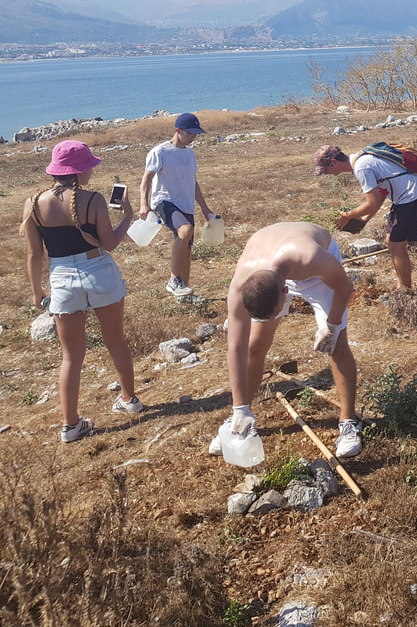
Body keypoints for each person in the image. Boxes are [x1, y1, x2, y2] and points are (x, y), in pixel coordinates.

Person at [21, 140, 143, 444]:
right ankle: (129, 400)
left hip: (61, 278)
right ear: (79, 171)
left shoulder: (33, 203)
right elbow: (110, 243)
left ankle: (71, 425)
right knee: (115, 341)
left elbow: (34, 255)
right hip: (98, 270)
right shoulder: (94, 200)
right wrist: (127, 215)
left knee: (71, 357)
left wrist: (37, 291)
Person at [210, 222, 363, 460]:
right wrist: (238, 408)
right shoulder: (241, 282)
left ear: (284, 293)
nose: (274, 319)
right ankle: (240, 417)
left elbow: (345, 287)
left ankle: (349, 422)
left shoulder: (312, 258)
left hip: (315, 274)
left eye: (273, 313)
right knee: (254, 345)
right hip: (268, 265)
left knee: (337, 346)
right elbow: (235, 348)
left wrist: (331, 326)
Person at [314, 144, 417, 289]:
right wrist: (364, 219)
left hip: (411, 196)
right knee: (392, 242)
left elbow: (372, 203)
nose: (326, 173)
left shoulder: (361, 167)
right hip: (405, 197)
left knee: (396, 245)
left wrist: (348, 216)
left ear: (333, 162)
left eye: (326, 169)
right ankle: (403, 285)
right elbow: (381, 194)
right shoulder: (361, 160)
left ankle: (405, 290)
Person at [139, 112, 216, 297]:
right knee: (186, 230)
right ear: (178, 130)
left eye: (196, 134)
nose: (193, 137)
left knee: (186, 248)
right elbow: (146, 179)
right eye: (190, 133)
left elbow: (193, 182)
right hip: (165, 201)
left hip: (186, 204)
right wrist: (143, 204)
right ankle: (173, 280)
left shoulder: (190, 154)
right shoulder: (160, 152)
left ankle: (184, 293)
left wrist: (204, 208)